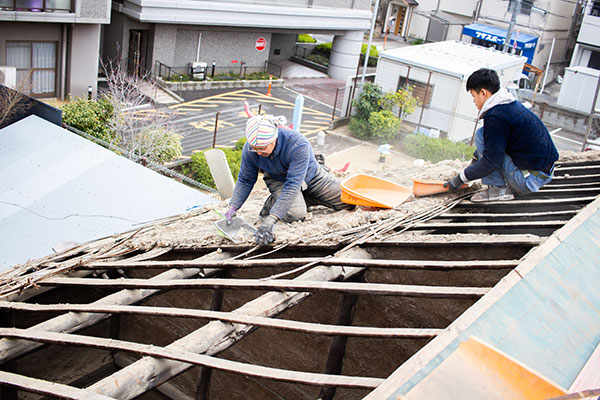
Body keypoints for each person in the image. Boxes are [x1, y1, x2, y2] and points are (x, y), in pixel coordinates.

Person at [224, 114, 355, 245]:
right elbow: (245, 180)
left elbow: (293, 185)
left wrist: (271, 220)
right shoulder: (249, 150)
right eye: (254, 148)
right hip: (278, 179)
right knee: (296, 214)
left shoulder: (297, 144)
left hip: (313, 176)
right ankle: (275, 204)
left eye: (262, 148)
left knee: (348, 201)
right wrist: (233, 207)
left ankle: (295, 200)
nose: (258, 152)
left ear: (274, 138)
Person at [445, 68, 559, 202]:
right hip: (542, 174)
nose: (474, 101)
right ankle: (500, 185)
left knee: (481, 135)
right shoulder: (508, 106)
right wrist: (474, 166)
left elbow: (490, 161)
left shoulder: (496, 117)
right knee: (485, 136)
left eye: (473, 96)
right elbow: (493, 143)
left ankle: (497, 189)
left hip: (527, 181)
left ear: (483, 93)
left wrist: (459, 179)